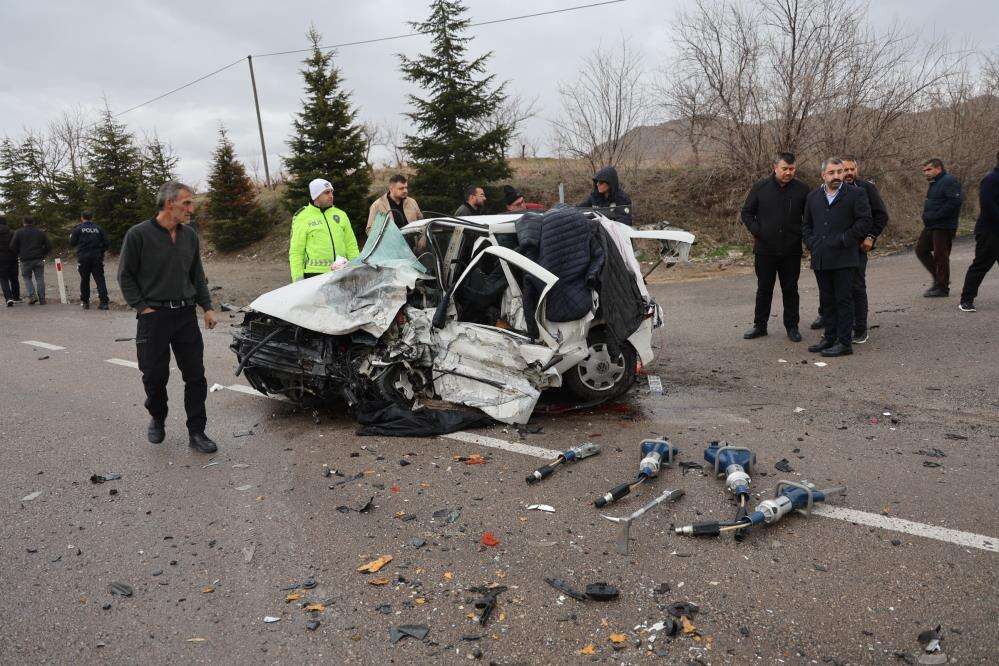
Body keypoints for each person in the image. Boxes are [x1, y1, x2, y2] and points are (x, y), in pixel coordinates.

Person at [117, 181, 218, 453]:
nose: (191, 208)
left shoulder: (190, 235)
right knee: (154, 374)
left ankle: (197, 432)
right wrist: (142, 307)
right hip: (155, 317)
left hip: (185, 315)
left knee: (195, 376)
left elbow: (196, 274)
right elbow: (125, 275)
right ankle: (157, 416)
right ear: (168, 203)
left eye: (191, 202)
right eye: (186, 202)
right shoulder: (138, 235)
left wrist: (206, 307)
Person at [810, 157, 889, 343]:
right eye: (844, 169)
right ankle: (832, 324)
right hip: (830, 250)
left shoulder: (865, 189)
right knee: (831, 288)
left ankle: (860, 328)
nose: (848, 173)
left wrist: (870, 237)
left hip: (857, 247)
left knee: (856, 287)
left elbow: (880, 216)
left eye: (852, 169)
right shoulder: (824, 193)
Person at [802, 157, 873, 358]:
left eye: (839, 172)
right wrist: (811, 243)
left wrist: (845, 239)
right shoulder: (813, 197)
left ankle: (844, 343)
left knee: (844, 299)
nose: (837, 176)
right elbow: (806, 225)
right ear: (823, 175)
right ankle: (829, 337)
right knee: (827, 301)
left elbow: (865, 221)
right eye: (832, 173)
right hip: (821, 257)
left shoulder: (856, 194)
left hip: (845, 256)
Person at [740, 152, 810, 342]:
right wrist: (757, 231)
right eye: (785, 168)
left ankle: (792, 327)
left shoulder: (803, 190)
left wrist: (803, 235)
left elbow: (810, 217)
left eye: (792, 169)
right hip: (765, 250)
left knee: (790, 289)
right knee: (764, 289)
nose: (788, 172)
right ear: (775, 168)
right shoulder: (760, 187)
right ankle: (760, 326)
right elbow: (746, 212)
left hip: (791, 249)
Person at [289, 178, 360, 282]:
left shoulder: (341, 214)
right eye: (326, 193)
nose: (331, 195)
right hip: (315, 275)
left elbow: (351, 244)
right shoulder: (302, 217)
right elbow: (296, 251)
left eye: (331, 192)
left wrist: (357, 268)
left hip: (342, 271)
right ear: (316, 196)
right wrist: (298, 279)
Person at [915, 158, 963, 297]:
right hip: (932, 224)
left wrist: (937, 215)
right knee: (921, 250)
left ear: (938, 168)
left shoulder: (948, 181)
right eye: (924, 171)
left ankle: (942, 288)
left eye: (929, 169)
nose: (926, 173)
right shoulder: (935, 183)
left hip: (944, 225)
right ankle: (939, 280)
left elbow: (955, 201)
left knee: (940, 255)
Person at [958, 152, 999, 312]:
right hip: (989, 232)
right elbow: (988, 205)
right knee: (981, 265)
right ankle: (966, 300)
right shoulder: (991, 179)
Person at [69, 210, 110, 310]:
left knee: (85, 280)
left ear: (82, 218)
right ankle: (104, 303)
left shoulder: (78, 229)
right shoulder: (98, 228)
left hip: (83, 258)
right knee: (100, 280)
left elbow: (72, 242)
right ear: (92, 218)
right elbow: (107, 243)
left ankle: (85, 302)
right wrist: (101, 252)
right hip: (96, 257)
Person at [9, 216, 51, 305]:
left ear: (23, 222)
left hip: (25, 259)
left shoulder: (19, 232)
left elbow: (12, 246)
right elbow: (49, 245)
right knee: (40, 278)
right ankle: (42, 298)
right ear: (33, 222)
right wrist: (43, 253)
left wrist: (19, 253)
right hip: (38, 258)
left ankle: (32, 296)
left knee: (27, 278)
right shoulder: (40, 232)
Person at [0, 215, 20, 306]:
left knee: (3, 279)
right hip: (12, 257)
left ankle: (8, 298)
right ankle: (16, 296)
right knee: (14, 277)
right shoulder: (12, 232)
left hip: (1, 259)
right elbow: (16, 245)